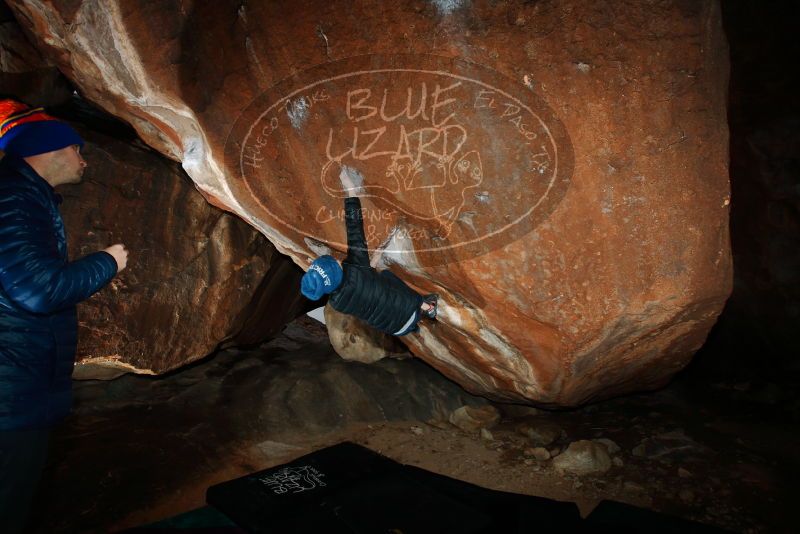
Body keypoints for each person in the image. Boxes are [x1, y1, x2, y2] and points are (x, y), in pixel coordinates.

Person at [0, 99, 128, 533]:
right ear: (49, 150)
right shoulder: (14, 199)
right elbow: (39, 291)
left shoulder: (22, 195)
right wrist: (108, 262)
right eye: (77, 149)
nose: (84, 161)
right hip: (9, 398)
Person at [301, 167, 437, 336]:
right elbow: (354, 228)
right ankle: (428, 307)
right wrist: (350, 189)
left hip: (395, 329)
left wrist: (373, 260)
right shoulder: (356, 268)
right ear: (336, 272)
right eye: (334, 263)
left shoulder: (337, 303)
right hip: (409, 310)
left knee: (378, 292)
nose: (337, 260)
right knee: (388, 277)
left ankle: (416, 321)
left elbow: (366, 286)